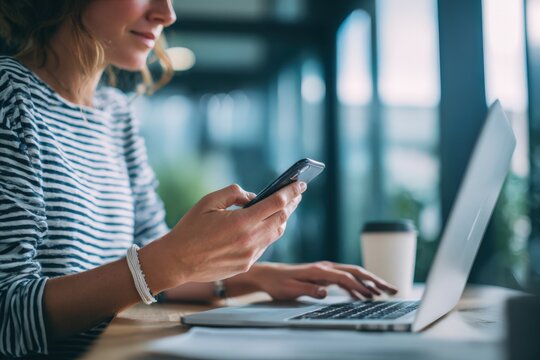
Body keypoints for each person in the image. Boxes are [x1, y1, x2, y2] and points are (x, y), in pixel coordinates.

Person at [0, 0, 397, 358]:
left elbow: (153, 269)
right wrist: (169, 261)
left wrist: (257, 277)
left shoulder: (115, 112)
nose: (167, 13)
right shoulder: (9, 95)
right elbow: (8, 312)